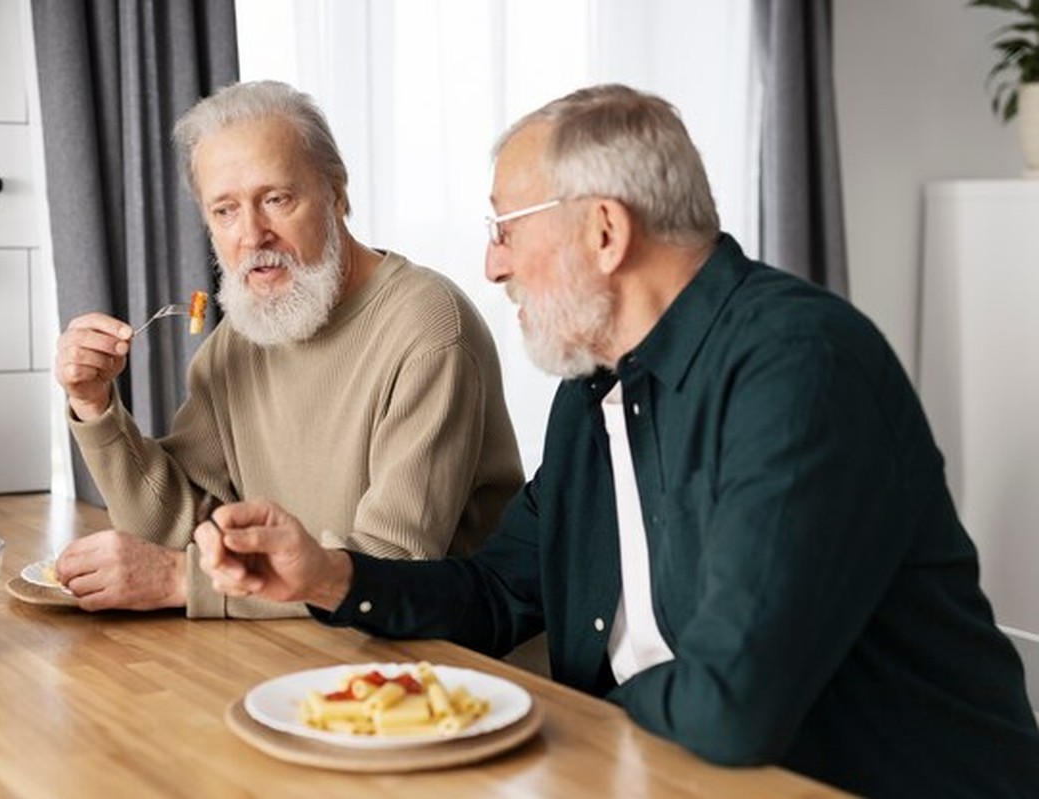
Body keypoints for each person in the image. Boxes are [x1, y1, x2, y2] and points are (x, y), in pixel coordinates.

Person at [192, 84, 1039, 797]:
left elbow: (730, 703)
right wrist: (328, 574)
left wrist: (548, 717)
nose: (492, 265)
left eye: (506, 228)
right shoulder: (592, 388)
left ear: (605, 230)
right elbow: (496, 591)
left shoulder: (798, 370)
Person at [53, 80, 523, 618]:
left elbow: (391, 567)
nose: (252, 235)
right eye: (224, 211)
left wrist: (183, 582)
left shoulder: (430, 329)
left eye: (276, 200)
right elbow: (177, 531)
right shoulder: (237, 341)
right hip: (296, 645)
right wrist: (94, 406)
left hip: (439, 656)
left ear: (337, 193)